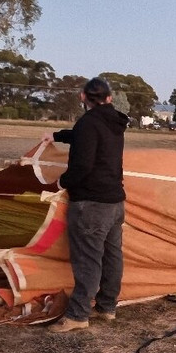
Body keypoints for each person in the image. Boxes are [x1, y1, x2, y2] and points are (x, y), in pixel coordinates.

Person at [43, 77, 130, 333]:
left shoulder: (89, 124)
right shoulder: (114, 122)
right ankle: (107, 307)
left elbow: (82, 166)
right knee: (113, 255)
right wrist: (57, 136)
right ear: (109, 99)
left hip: (91, 204)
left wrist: (62, 183)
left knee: (88, 260)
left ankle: (79, 314)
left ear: (83, 97)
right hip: (115, 202)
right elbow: (85, 137)